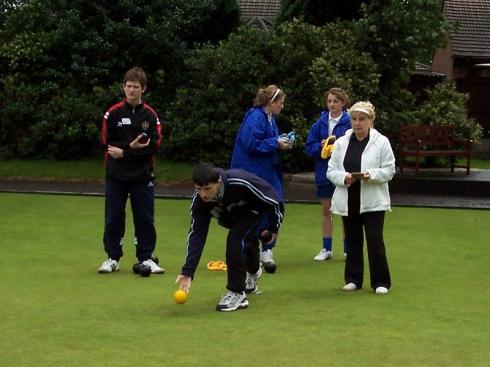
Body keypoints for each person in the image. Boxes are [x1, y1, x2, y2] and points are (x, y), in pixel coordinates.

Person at [175, 163, 283, 312]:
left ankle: (237, 293)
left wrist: (273, 227)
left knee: (235, 240)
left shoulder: (239, 182)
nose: (203, 194)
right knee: (246, 241)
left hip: (254, 209)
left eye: (207, 188)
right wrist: (188, 272)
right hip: (231, 217)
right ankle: (253, 272)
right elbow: (196, 235)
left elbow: (273, 200)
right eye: (199, 189)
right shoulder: (200, 202)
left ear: (218, 183)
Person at [97, 67, 164, 274]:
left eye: (136, 87)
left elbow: (155, 145)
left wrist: (126, 152)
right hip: (116, 176)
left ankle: (146, 258)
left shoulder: (150, 115)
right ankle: (112, 258)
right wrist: (130, 147)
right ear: (123, 87)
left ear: (143, 88)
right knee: (114, 217)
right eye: (129, 86)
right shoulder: (113, 113)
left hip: (142, 175)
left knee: (144, 218)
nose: (132, 90)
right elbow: (105, 143)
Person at [327, 101, 395, 295]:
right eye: (354, 119)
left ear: (370, 121)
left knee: (374, 239)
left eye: (362, 119)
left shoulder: (381, 142)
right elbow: (331, 171)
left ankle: (381, 281)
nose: (357, 123)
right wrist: (345, 177)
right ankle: (353, 279)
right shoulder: (341, 142)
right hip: (348, 199)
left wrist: (370, 175)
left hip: (373, 200)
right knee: (353, 239)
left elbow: (389, 170)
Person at [230, 84, 291, 273]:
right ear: (271, 102)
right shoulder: (256, 116)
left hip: (267, 171)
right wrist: (275, 142)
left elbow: (268, 141)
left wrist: (282, 141)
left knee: (276, 205)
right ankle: (248, 254)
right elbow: (250, 143)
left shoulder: (270, 118)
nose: (282, 106)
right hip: (251, 173)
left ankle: (267, 250)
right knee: (253, 212)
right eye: (280, 103)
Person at [305, 87, 351, 261]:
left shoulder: (348, 121)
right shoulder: (320, 122)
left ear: (343, 103)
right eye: (330, 101)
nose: (332, 104)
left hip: (343, 172)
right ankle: (327, 248)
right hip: (324, 172)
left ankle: (348, 250)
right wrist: (321, 147)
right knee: (327, 210)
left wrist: (337, 147)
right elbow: (310, 146)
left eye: (336, 101)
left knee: (345, 211)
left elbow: (353, 143)